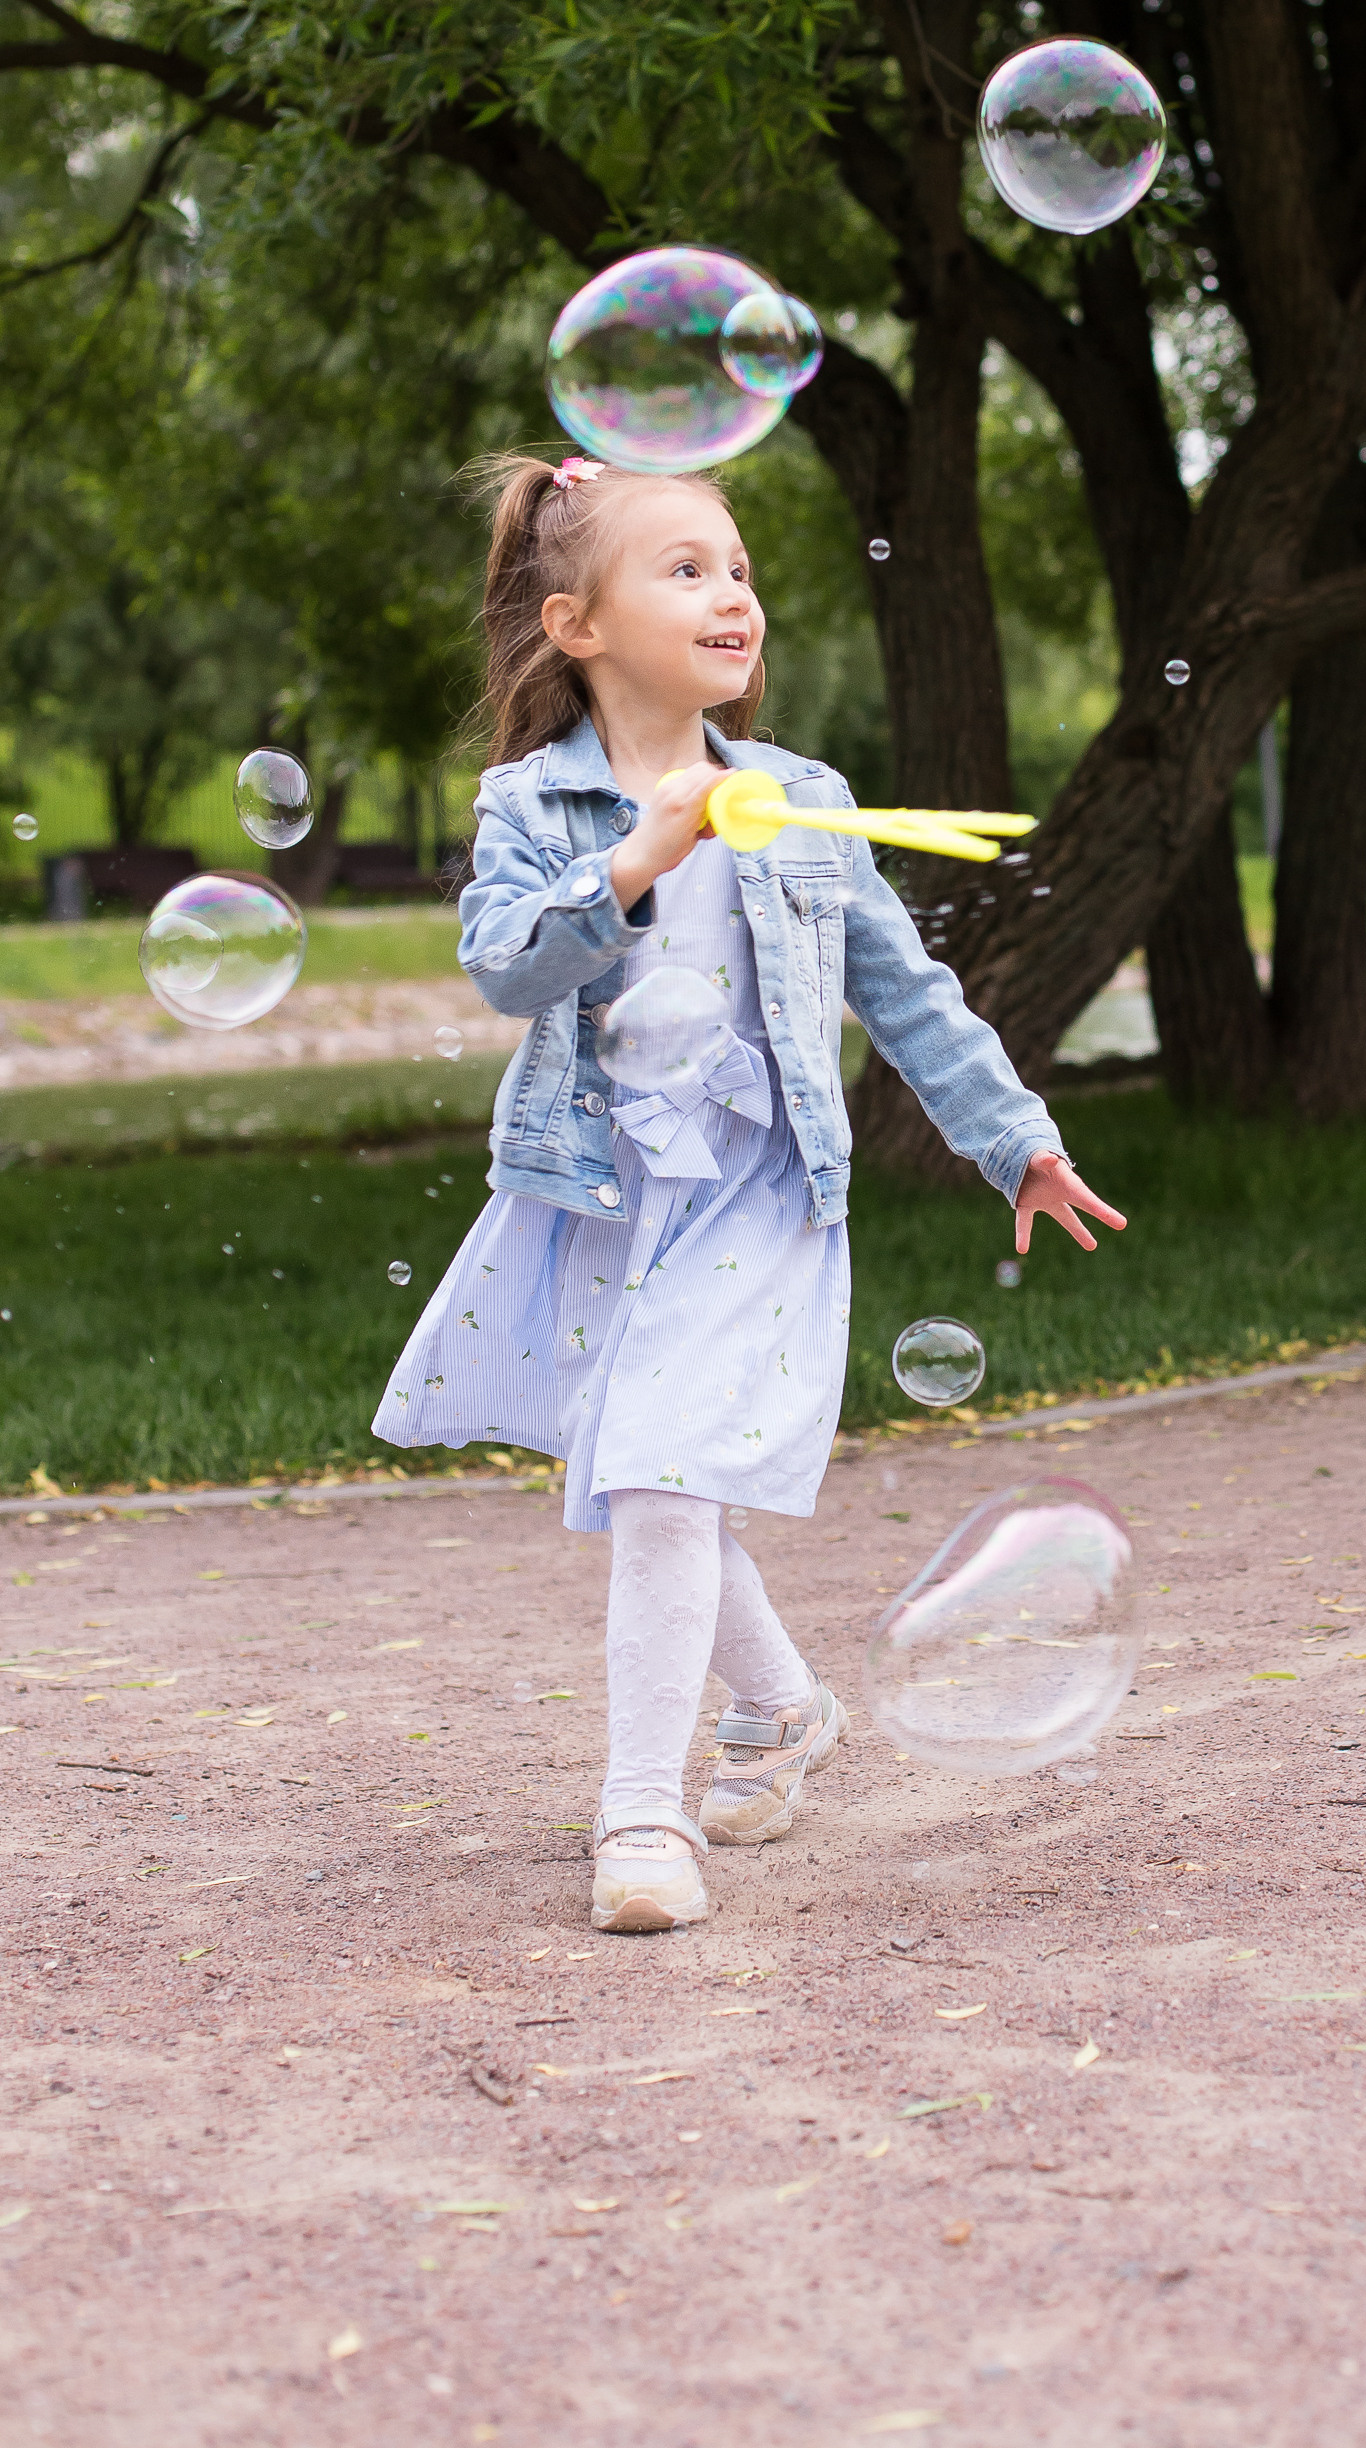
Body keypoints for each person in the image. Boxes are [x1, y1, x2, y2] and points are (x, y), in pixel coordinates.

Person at [373, 453, 1126, 1934]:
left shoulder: (803, 800)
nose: (733, 594)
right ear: (576, 624)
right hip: (603, 1193)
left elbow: (908, 999)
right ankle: (779, 1710)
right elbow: (504, 968)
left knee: (657, 1478)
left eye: (738, 568)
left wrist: (1012, 1139)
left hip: (759, 1194)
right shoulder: (535, 803)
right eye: (686, 569)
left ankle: (641, 1817)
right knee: (656, 1475)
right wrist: (637, 862)